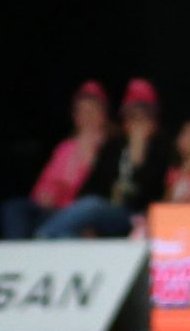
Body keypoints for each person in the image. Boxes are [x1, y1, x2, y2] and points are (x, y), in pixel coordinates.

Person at [40, 80, 167, 237]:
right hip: (105, 211)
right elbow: (94, 182)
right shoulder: (114, 147)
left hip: (134, 216)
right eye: (131, 117)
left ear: (154, 122)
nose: (136, 124)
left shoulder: (161, 150)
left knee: (91, 206)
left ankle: (43, 236)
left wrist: (138, 158)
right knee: (68, 233)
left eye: (143, 118)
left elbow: (152, 192)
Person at [7, 82, 112, 239]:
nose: (86, 117)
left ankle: (42, 238)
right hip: (54, 209)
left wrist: (87, 153)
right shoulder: (65, 147)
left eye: (91, 111)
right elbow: (45, 183)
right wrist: (44, 194)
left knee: (68, 230)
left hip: (79, 213)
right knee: (14, 208)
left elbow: (98, 188)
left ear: (103, 114)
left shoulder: (111, 146)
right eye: (81, 112)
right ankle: (16, 256)